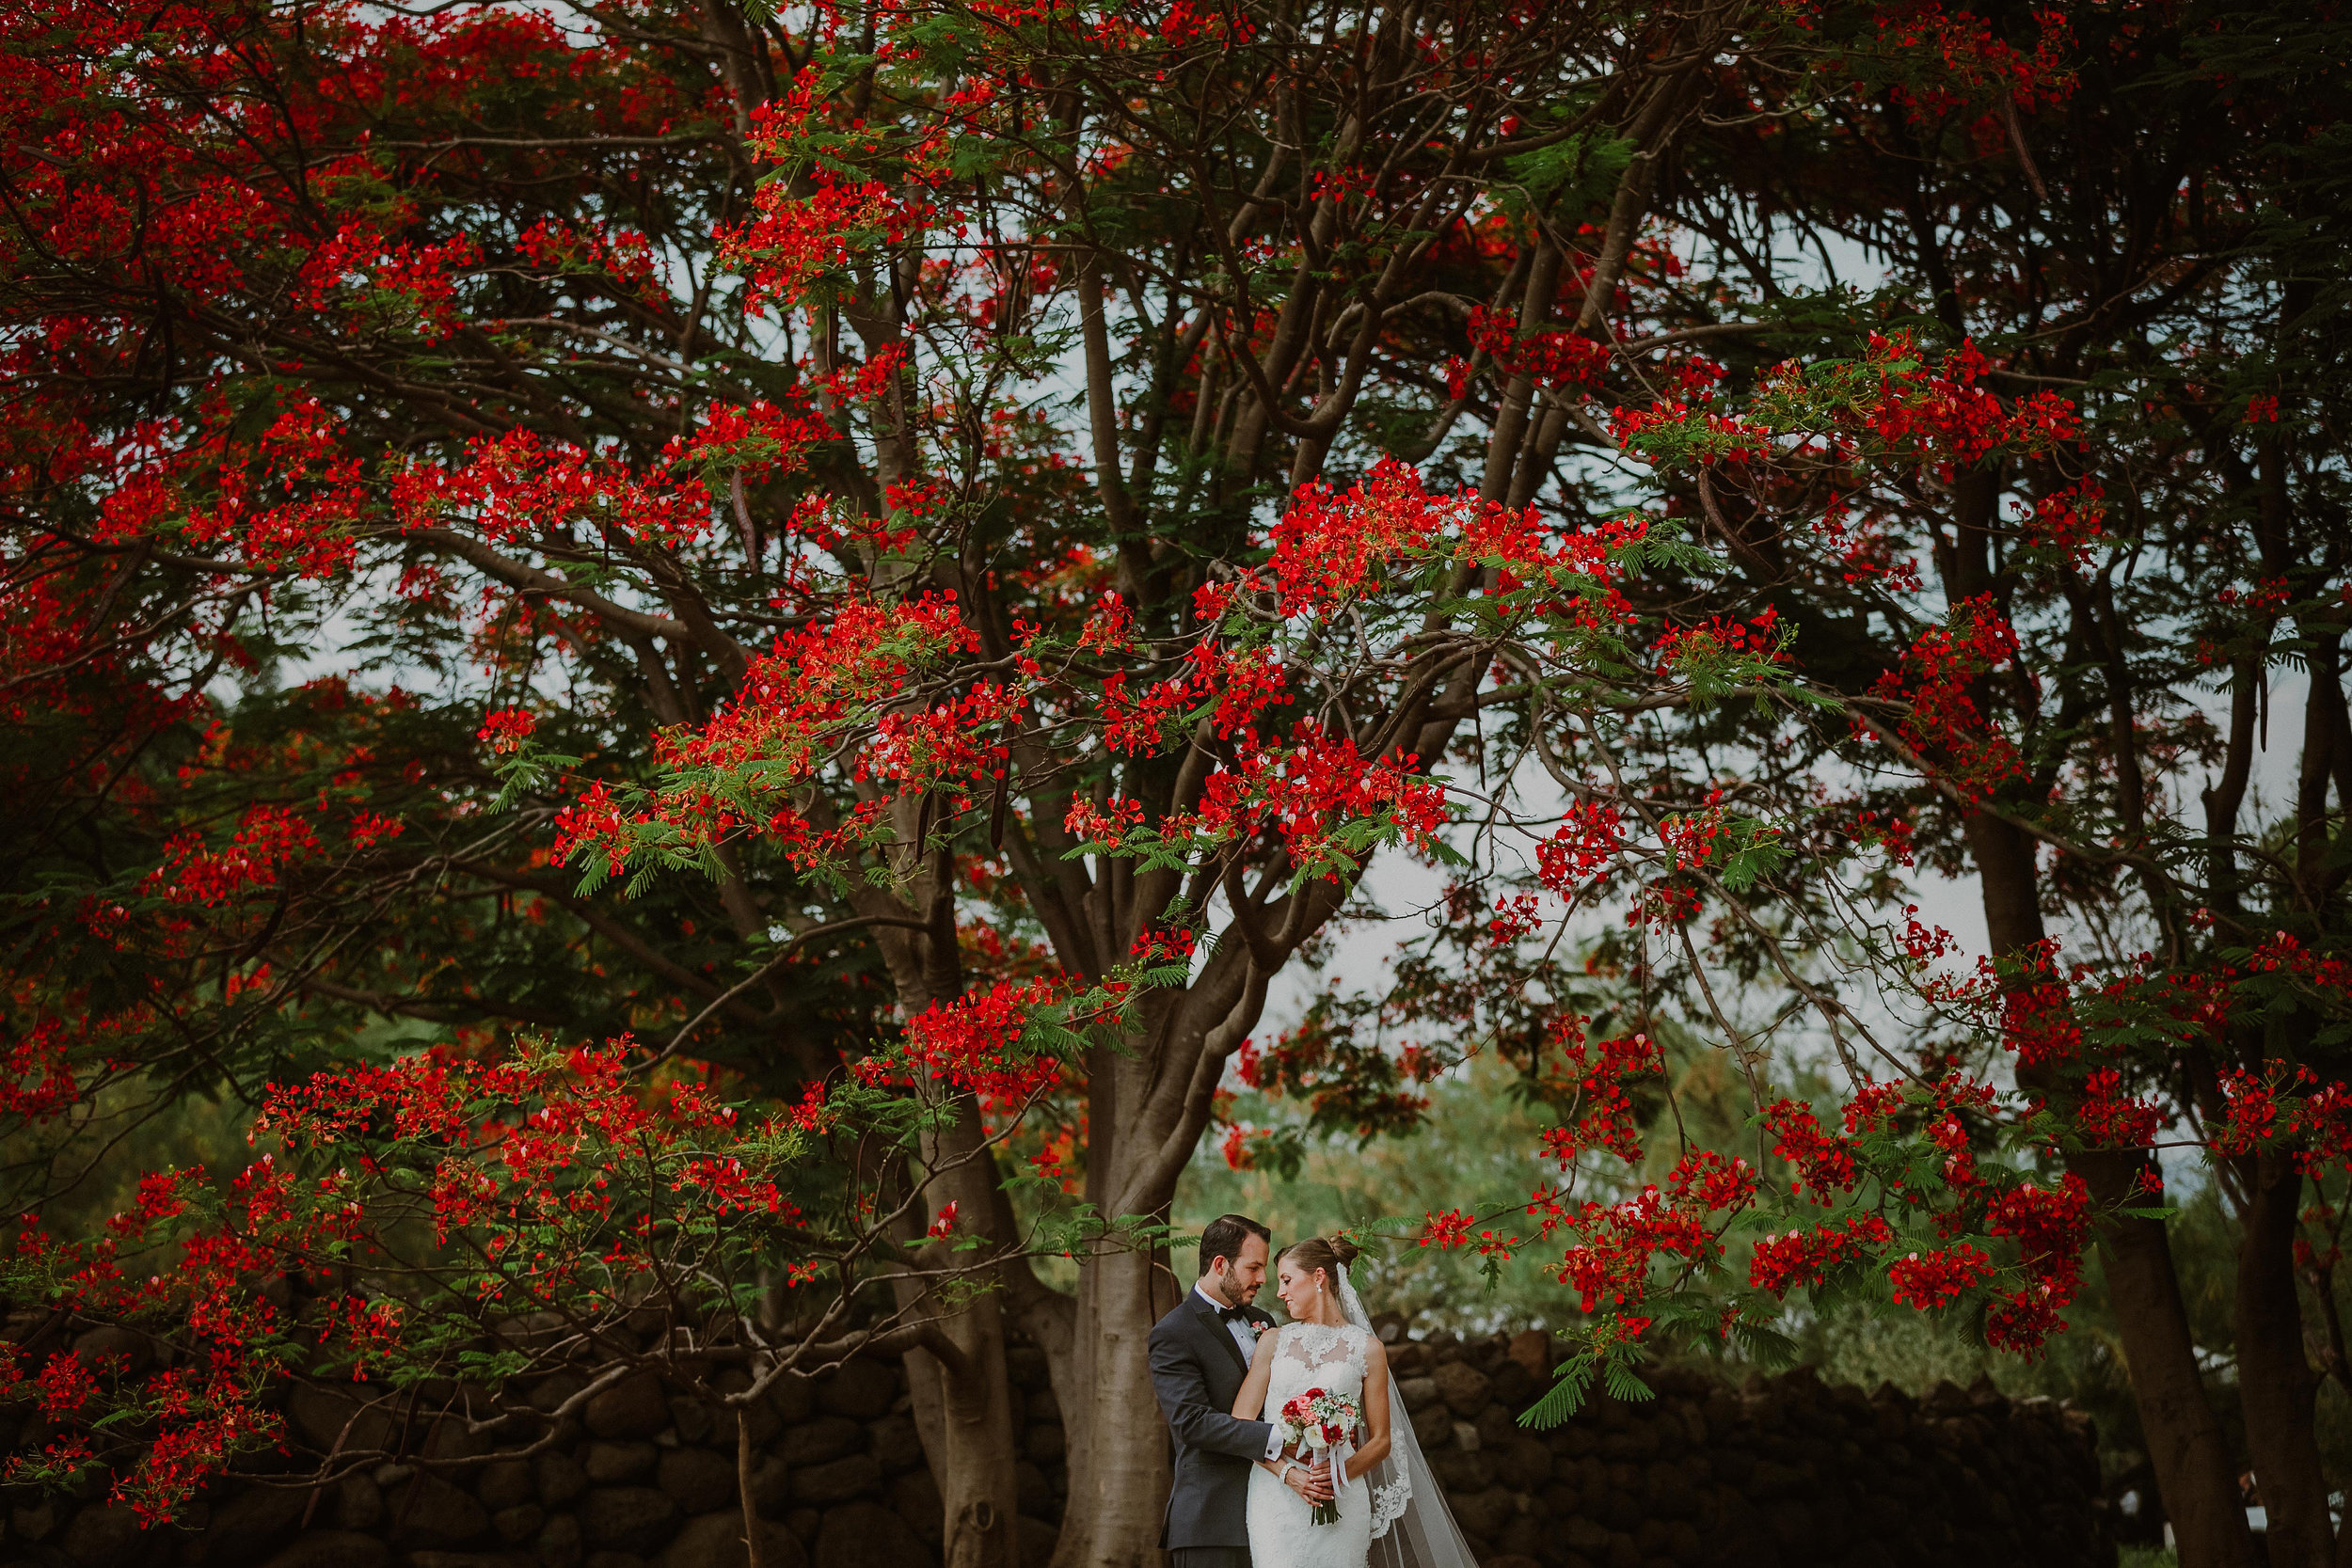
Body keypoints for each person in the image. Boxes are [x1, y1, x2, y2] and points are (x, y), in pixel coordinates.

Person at [1229, 1234, 1481, 1568]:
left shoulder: (1367, 1349)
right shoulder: (1274, 1342)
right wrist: (1289, 1473)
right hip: (1276, 1497)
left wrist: (1337, 1475)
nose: (1279, 1292)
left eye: (1287, 1280)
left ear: (1319, 1277)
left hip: (1342, 1497)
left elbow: (1381, 1441)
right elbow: (1241, 1424)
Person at [1150, 1213, 1334, 1568]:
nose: (1263, 1279)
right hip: (1211, 1522)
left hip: (1276, 1512)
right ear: (1220, 1265)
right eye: (1253, 1268)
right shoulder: (1173, 1332)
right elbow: (1192, 1423)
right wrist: (1279, 1437)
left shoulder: (1263, 1321)